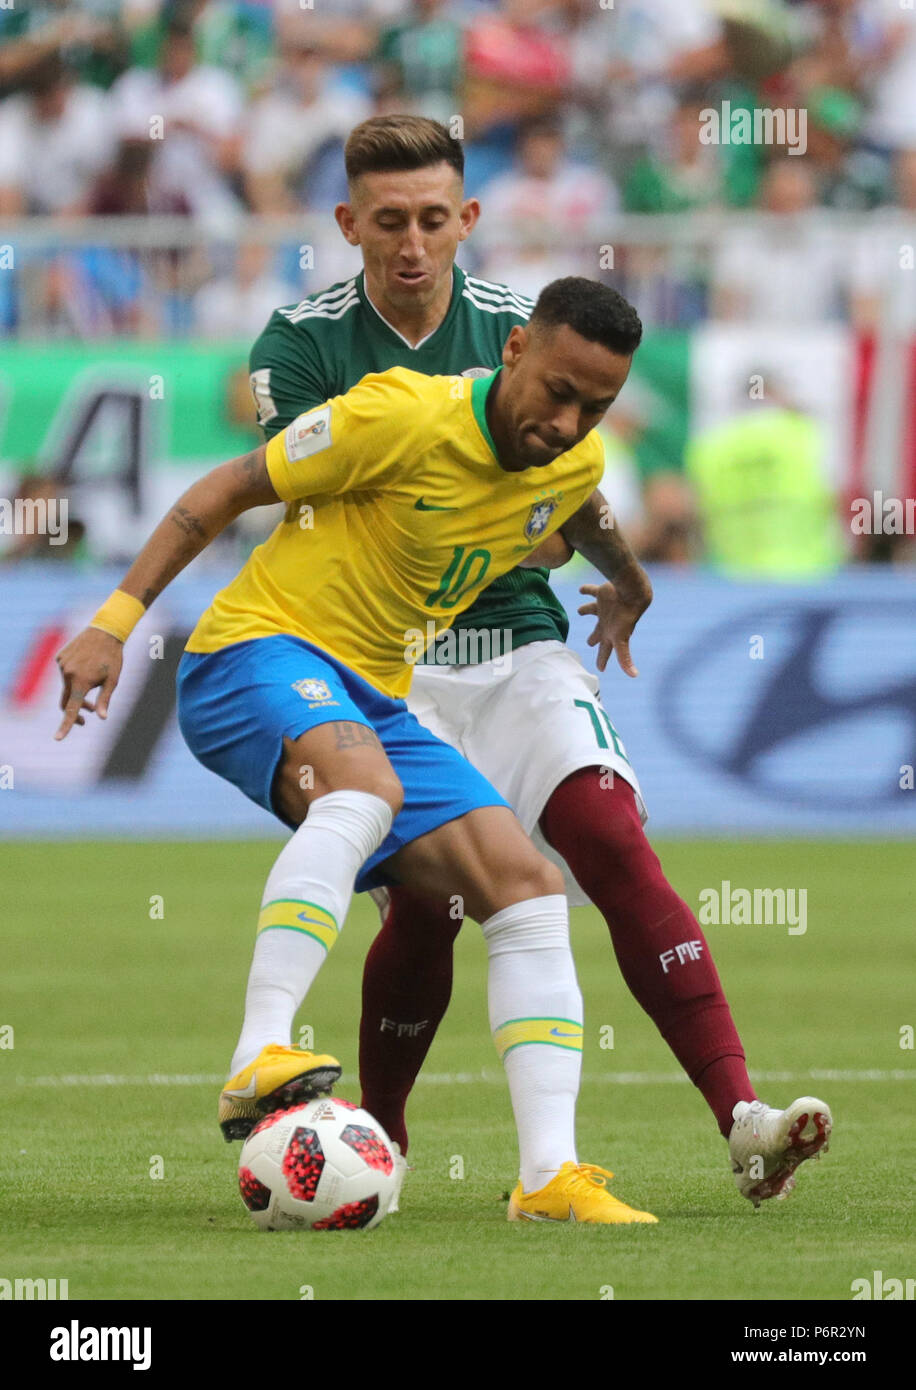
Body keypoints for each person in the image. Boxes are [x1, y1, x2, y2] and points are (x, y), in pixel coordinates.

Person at [250, 114, 833, 1211]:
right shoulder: (296, 345)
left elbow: (569, 492)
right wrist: (513, 511)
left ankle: (742, 1121)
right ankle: (383, 1140)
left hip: (519, 648)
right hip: (387, 662)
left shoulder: (529, 331)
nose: (413, 244)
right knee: (429, 908)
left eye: (435, 218)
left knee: (610, 838)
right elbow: (339, 506)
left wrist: (620, 562)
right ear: (348, 225)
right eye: (389, 223)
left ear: (467, 218)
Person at [54, 276, 664, 1226]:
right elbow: (224, 489)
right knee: (365, 787)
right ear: (513, 353)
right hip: (253, 650)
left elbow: (576, 506)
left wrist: (627, 576)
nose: (569, 420)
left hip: (371, 698)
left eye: (598, 406)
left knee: (526, 888)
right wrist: (113, 624)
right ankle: (260, 1052)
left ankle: (549, 1176)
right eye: (558, 391)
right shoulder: (398, 414)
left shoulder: (570, 464)